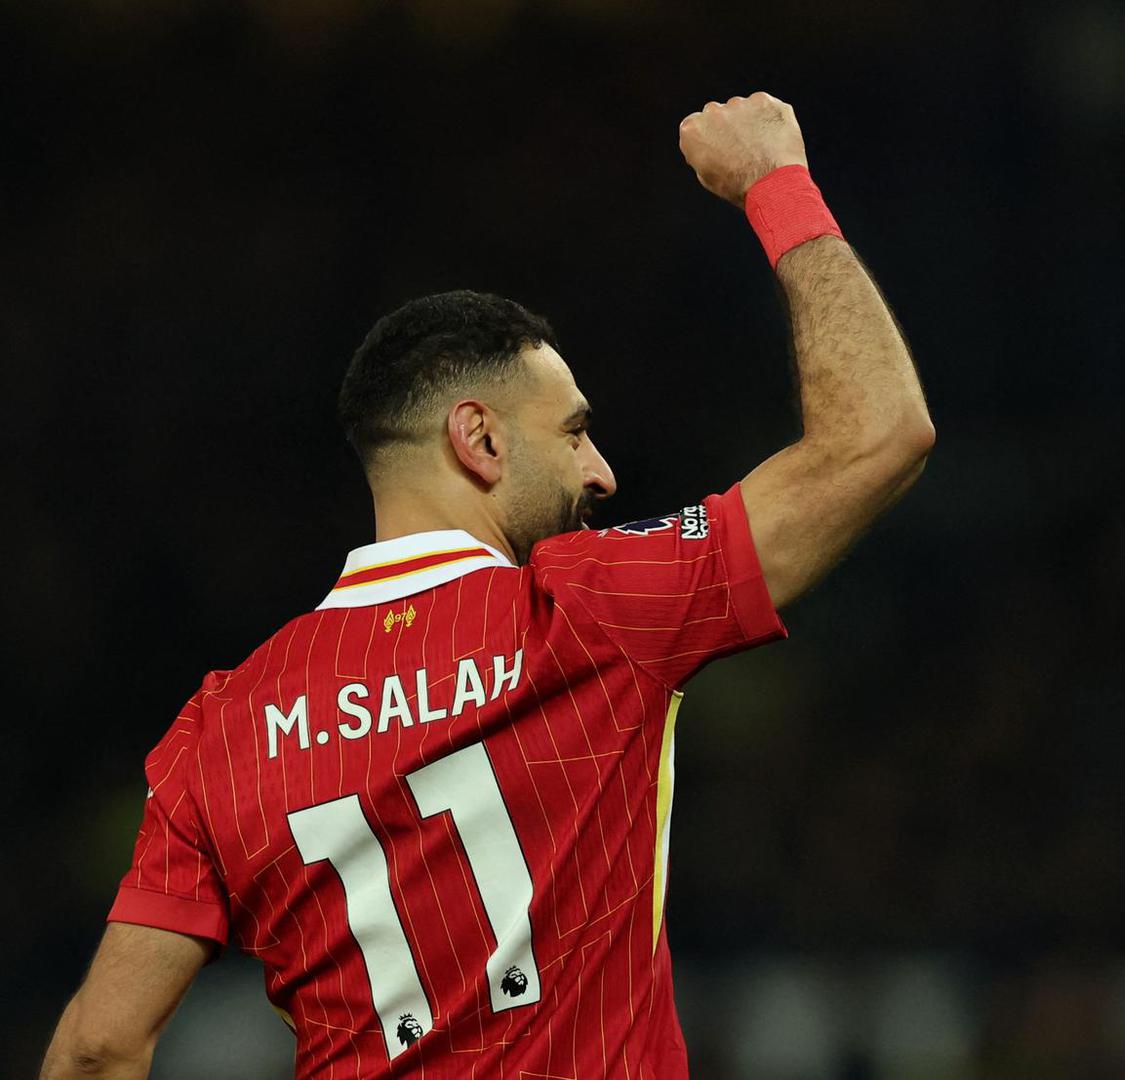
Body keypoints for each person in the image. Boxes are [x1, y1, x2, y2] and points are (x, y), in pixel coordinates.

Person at [41, 91, 933, 1080]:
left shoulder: (221, 729)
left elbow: (97, 1048)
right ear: (479, 438)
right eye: (574, 431)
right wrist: (777, 182)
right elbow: (879, 437)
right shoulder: (589, 609)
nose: (602, 472)